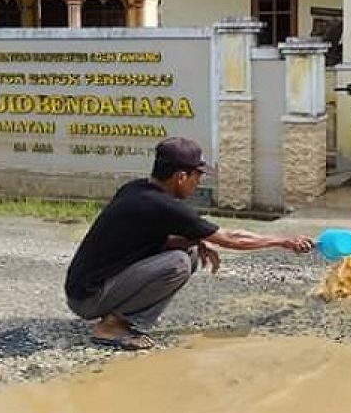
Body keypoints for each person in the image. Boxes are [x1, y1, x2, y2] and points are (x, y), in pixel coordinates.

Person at [65, 136, 314, 350]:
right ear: (181, 176)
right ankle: (111, 327)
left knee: (190, 251)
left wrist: (196, 240)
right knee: (178, 264)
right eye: (198, 175)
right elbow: (231, 238)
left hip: (86, 287)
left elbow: (144, 239)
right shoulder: (164, 206)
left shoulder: (136, 189)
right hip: (88, 297)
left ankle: (127, 317)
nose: (199, 182)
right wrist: (283, 241)